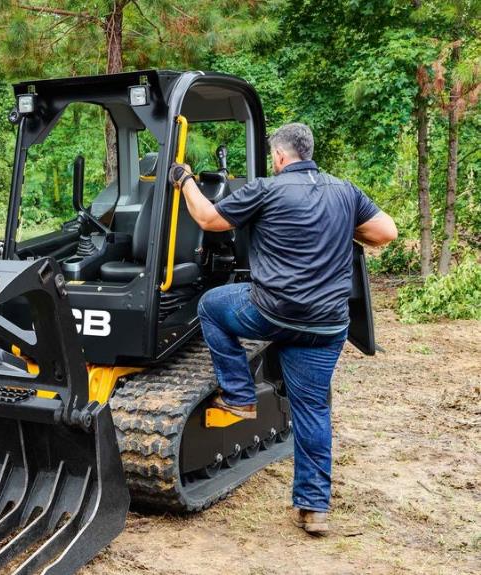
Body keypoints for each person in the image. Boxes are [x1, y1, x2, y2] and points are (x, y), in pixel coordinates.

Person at [169, 123, 397, 535]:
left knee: (211, 306)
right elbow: (385, 232)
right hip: (327, 325)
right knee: (313, 411)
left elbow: (206, 217)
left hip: (272, 313)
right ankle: (314, 508)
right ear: (308, 152)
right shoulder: (344, 191)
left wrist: (184, 180)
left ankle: (238, 395)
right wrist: (345, 225)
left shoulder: (267, 190)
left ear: (278, 157)